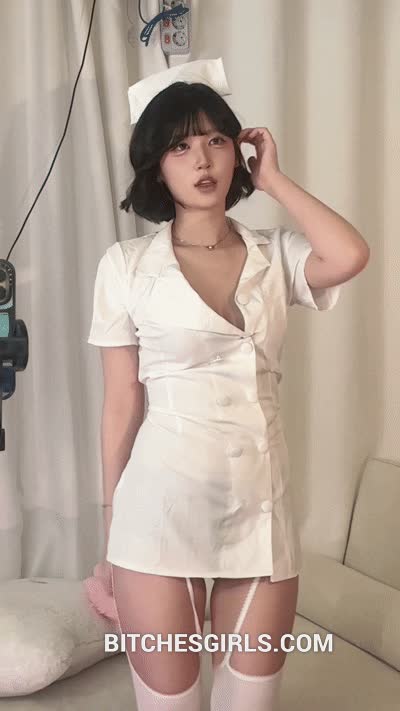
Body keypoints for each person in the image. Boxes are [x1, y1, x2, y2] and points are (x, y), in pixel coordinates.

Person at [87, 71, 369, 710]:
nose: (202, 160)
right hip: (158, 511)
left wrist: (274, 181)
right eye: (180, 146)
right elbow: (121, 402)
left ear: (237, 152)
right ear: (157, 164)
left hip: (260, 512)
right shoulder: (126, 266)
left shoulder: (277, 254)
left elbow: (351, 255)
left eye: (216, 140)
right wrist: (110, 522)